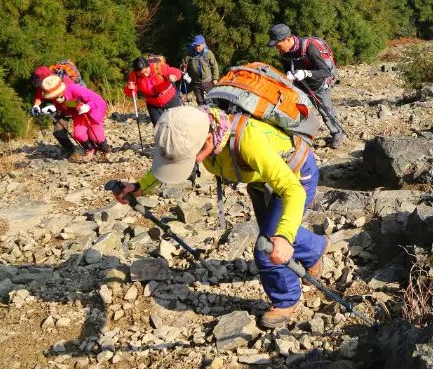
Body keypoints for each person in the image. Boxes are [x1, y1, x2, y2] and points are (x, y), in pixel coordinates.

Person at [110, 106, 328, 328]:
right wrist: (140, 186)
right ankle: (316, 248)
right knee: (274, 235)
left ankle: (285, 300)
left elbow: (292, 191)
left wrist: (282, 237)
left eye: (189, 159)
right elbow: (171, 159)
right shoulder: (194, 128)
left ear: (207, 141)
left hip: (296, 177)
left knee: (268, 246)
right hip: (261, 182)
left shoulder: (248, 141)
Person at [267, 24, 345, 149]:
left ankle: (337, 134)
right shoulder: (285, 52)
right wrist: (289, 75)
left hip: (318, 85)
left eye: (278, 45)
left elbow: (325, 72)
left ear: (288, 39)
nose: (278, 49)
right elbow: (288, 69)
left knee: (326, 111)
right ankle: (299, 136)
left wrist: (306, 73)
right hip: (299, 85)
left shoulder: (310, 48)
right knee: (296, 109)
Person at [39, 75, 110, 162]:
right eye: (53, 97)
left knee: (96, 136)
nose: (56, 99)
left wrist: (88, 106)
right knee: (79, 135)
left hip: (93, 111)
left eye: (58, 96)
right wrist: (53, 110)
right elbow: (63, 109)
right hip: (79, 114)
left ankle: (106, 150)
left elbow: (98, 100)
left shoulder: (75, 89)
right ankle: (90, 149)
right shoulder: (56, 99)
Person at [30, 66, 77, 157]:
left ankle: (93, 147)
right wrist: (36, 105)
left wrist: (55, 107)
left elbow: (75, 97)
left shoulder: (65, 80)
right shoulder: (45, 84)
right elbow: (39, 95)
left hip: (75, 106)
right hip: (60, 108)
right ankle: (70, 149)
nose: (40, 84)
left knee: (82, 131)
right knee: (58, 132)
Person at [125, 56, 184, 125]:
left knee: (178, 121)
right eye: (141, 73)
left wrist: (173, 76)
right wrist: (130, 89)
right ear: (136, 72)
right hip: (153, 103)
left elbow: (175, 71)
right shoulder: (134, 75)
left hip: (170, 98)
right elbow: (130, 93)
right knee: (158, 126)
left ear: (149, 66)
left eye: (146, 71)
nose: (145, 75)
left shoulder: (159, 67)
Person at [182, 35, 220, 105]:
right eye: (195, 45)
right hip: (195, 81)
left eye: (199, 45)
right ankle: (202, 111)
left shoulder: (208, 53)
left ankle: (217, 110)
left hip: (207, 81)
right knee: (200, 100)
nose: (197, 47)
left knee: (213, 97)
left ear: (203, 44)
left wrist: (215, 78)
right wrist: (184, 73)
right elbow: (183, 65)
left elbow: (214, 66)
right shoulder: (188, 54)